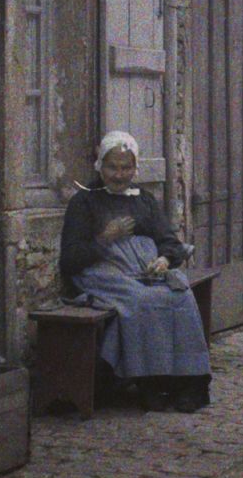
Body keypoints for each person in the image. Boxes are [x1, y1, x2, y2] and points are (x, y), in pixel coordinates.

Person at [58, 131, 211, 412]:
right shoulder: (84, 202)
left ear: (135, 169)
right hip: (102, 272)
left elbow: (169, 241)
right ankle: (150, 384)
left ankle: (188, 385)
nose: (119, 175)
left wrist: (165, 259)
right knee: (144, 301)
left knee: (180, 294)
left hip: (144, 270)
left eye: (126, 168)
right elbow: (70, 260)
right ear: (99, 167)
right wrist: (105, 237)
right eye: (112, 167)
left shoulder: (144, 200)